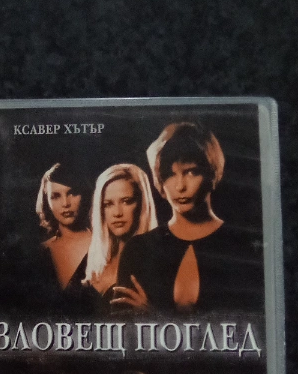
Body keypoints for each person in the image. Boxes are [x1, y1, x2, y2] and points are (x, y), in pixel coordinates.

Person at [113, 122, 263, 314]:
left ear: (212, 173)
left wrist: (155, 318)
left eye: (191, 172)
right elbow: (122, 327)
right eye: (169, 174)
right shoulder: (138, 250)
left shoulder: (243, 248)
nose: (180, 186)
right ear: (159, 180)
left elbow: (254, 326)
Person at [73, 164, 157, 309]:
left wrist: (150, 314)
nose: (117, 213)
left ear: (142, 205)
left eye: (126, 201)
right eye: (108, 204)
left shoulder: (156, 262)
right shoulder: (92, 261)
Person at [36, 163, 92, 291]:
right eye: (56, 196)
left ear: (84, 195)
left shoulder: (103, 244)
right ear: (47, 201)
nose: (65, 203)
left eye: (72, 193)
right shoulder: (42, 251)